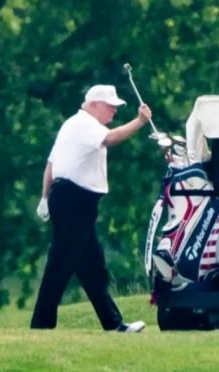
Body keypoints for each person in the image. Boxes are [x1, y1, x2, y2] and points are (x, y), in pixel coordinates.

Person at [31, 84, 150, 332]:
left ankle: (114, 324)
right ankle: (41, 326)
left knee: (92, 266)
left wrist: (45, 197)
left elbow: (51, 165)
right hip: (74, 200)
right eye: (111, 107)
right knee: (61, 262)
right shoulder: (86, 125)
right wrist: (139, 121)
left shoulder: (72, 124)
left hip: (72, 200)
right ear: (94, 104)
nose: (114, 112)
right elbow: (111, 139)